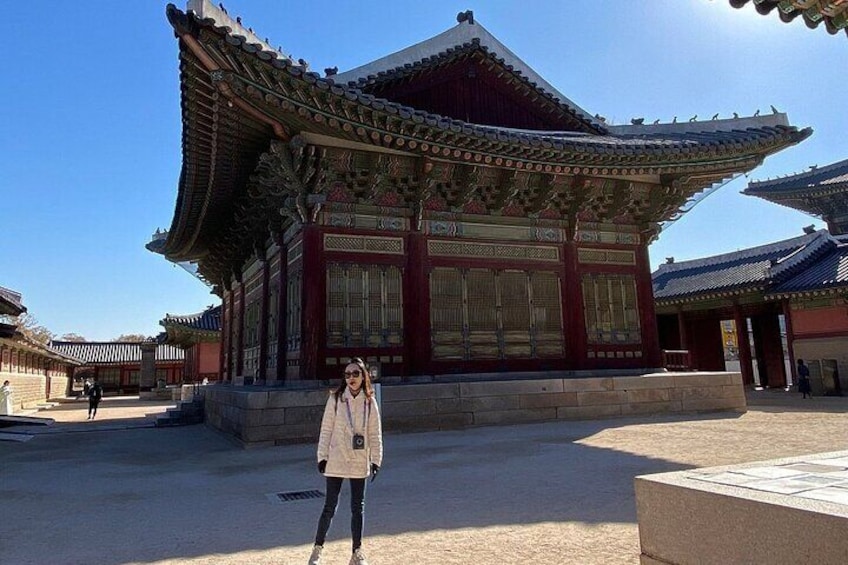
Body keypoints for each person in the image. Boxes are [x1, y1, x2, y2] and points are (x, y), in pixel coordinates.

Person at [308, 358, 383, 565]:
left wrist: (376, 459)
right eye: (347, 374)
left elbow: (375, 433)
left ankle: (357, 552)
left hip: (360, 458)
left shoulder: (370, 402)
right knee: (330, 506)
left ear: (363, 376)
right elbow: (326, 429)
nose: (351, 378)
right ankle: (317, 550)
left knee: (358, 507)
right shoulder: (335, 399)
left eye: (355, 374)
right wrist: (322, 456)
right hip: (336, 457)